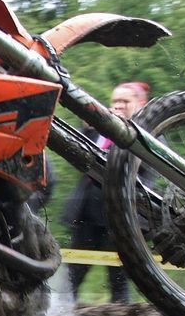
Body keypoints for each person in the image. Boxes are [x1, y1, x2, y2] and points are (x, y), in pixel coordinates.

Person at [61, 81, 149, 304]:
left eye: (125, 101)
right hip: (87, 215)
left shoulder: (150, 134)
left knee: (119, 282)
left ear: (140, 105)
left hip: (121, 218)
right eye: (115, 101)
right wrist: (88, 128)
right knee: (71, 278)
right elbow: (80, 159)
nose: (118, 106)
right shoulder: (101, 130)